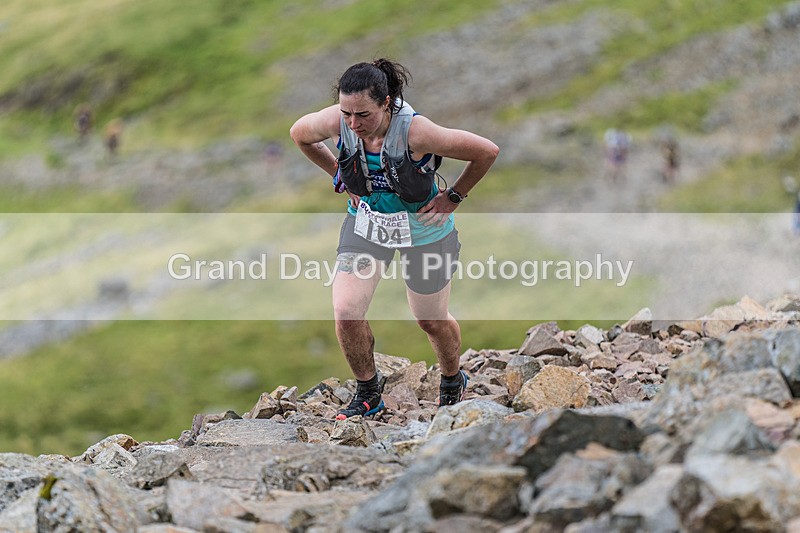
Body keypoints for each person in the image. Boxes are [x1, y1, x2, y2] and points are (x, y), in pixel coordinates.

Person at [290, 58, 499, 420]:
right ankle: (368, 392)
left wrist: (453, 198)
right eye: (347, 113)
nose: (353, 124)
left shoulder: (418, 133)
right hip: (367, 227)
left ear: (386, 103)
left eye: (363, 115)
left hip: (424, 233)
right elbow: (300, 135)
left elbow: (486, 151)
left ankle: (452, 379)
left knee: (430, 320)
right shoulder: (337, 121)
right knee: (346, 312)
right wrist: (338, 174)